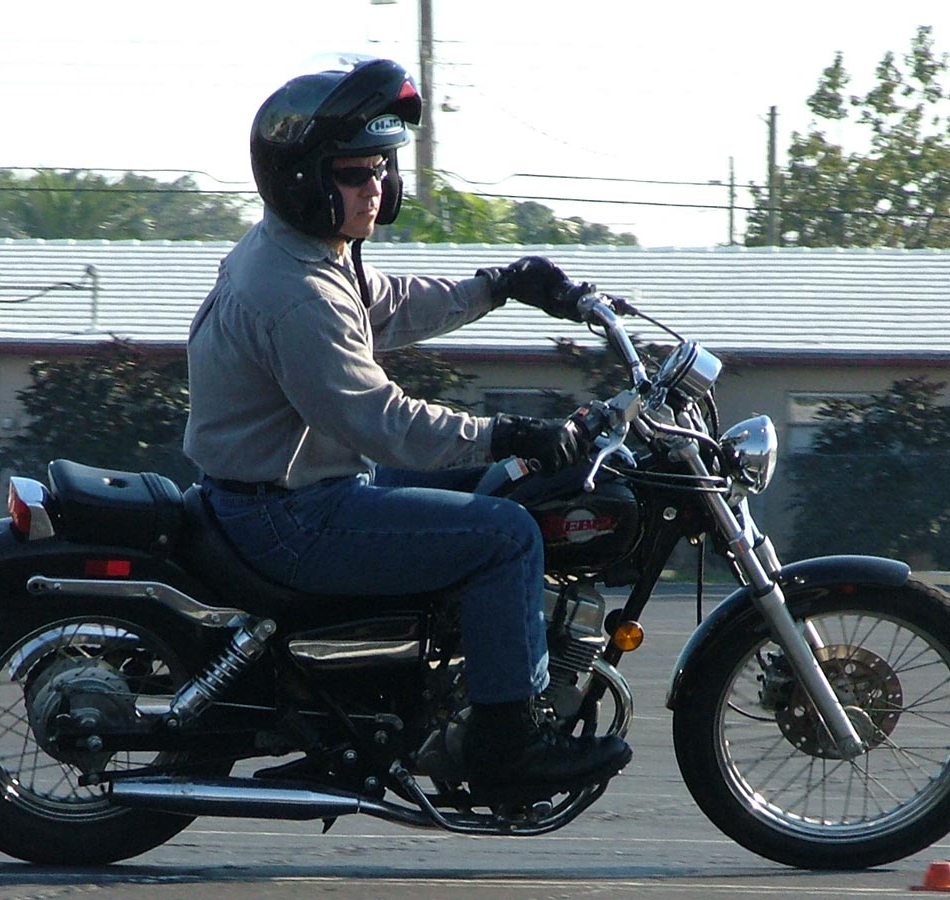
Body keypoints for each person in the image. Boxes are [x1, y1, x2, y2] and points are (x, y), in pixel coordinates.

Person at [183, 58, 630, 800]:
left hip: (287, 495)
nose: (378, 186)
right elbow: (382, 422)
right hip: (290, 517)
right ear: (303, 178)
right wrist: (507, 432)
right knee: (507, 536)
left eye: (383, 168)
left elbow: (383, 304)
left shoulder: (302, 253)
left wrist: (499, 285)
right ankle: (508, 746)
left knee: (493, 488)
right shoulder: (296, 293)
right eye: (356, 173)